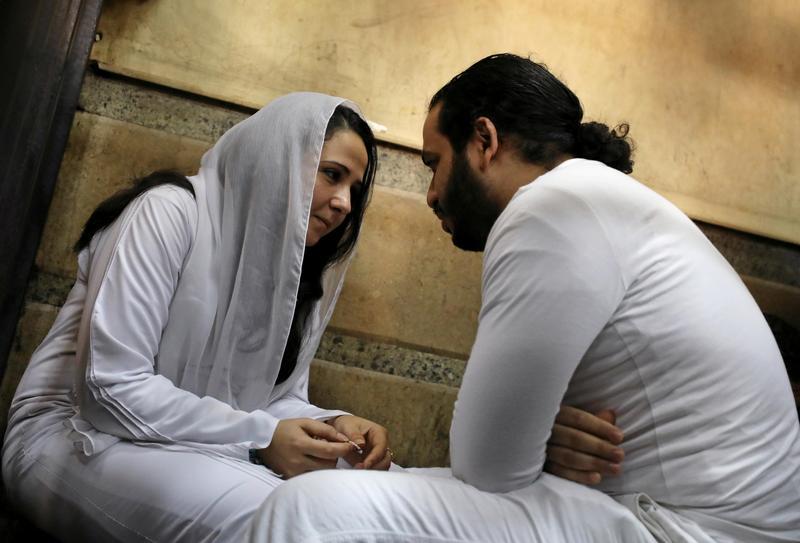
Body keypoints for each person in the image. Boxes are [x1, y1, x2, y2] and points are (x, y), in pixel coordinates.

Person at [249, 54, 800, 542]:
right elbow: (501, 454)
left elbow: (486, 465)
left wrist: (528, 440)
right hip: (655, 514)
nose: (433, 193)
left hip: (685, 530)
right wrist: (537, 437)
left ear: (484, 141)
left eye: (434, 163)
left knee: (312, 511)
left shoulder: (553, 208)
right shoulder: (591, 199)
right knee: (363, 484)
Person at [2, 92, 393, 542]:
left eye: (354, 190)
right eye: (332, 175)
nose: (344, 203)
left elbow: (268, 399)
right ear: (280, 159)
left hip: (194, 444)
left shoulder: (294, 271)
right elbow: (109, 388)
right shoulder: (169, 212)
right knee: (294, 523)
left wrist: (332, 424)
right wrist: (260, 438)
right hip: (71, 436)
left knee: (388, 503)